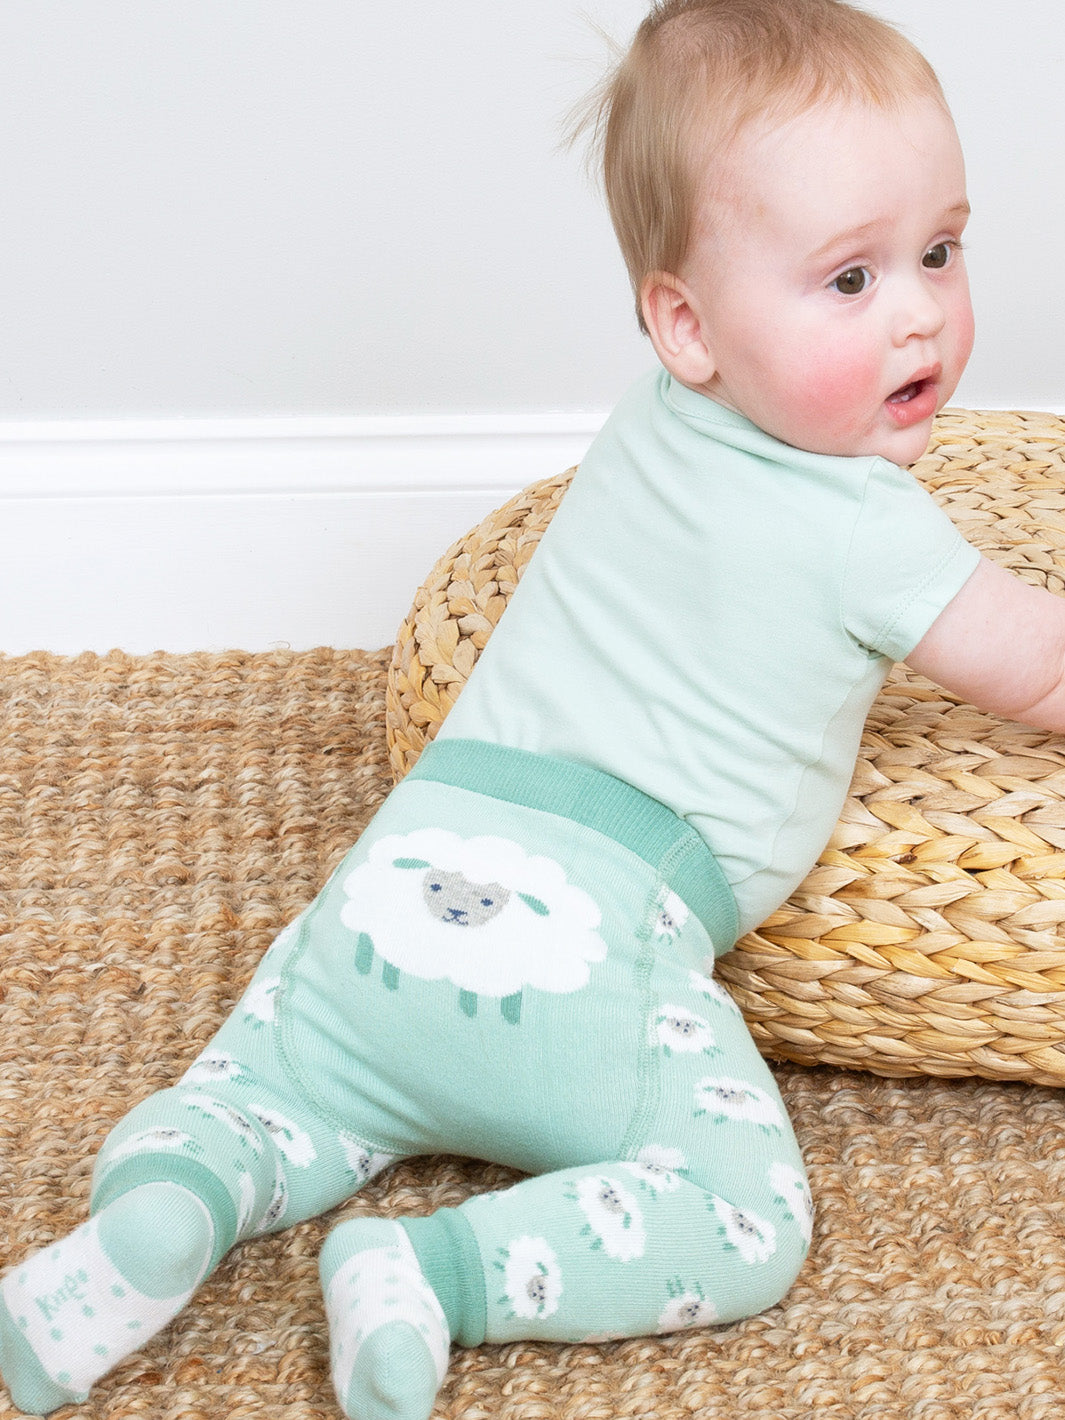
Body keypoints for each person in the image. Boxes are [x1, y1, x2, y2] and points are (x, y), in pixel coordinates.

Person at [5, 2, 1065, 1417]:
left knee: (269, 1085)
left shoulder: (643, 423)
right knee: (744, 1215)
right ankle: (435, 1276)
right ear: (684, 322)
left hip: (391, 879)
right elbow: (1039, 669)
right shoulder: (872, 531)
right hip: (594, 960)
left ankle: (165, 1201)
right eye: (849, 279)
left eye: (939, 249)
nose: (922, 308)